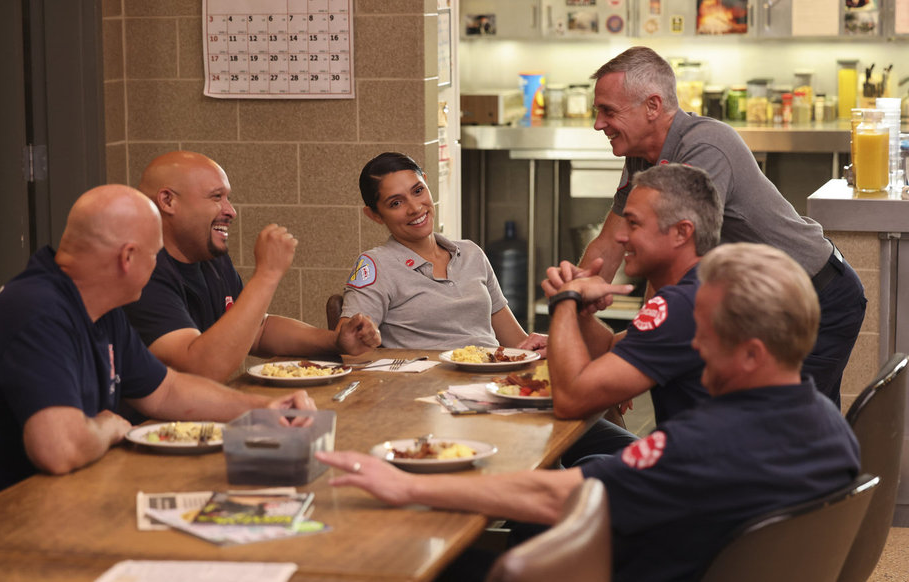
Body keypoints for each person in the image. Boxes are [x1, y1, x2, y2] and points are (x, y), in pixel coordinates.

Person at [316, 242, 861, 582]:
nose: (694, 344)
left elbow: (554, 496)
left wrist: (408, 485)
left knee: (421, 562)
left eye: (707, 334)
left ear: (752, 354)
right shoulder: (831, 428)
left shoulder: (701, 443)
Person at [0, 185, 316, 529]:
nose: (156, 266)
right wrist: (107, 427)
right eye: (154, 255)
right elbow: (59, 449)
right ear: (127, 257)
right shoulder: (36, 309)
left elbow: (166, 390)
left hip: (56, 512)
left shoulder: (99, 307)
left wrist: (261, 410)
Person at [580, 46, 865, 406]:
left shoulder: (704, 146)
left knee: (784, 425)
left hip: (817, 295)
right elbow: (609, 242)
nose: (598, 124)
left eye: (608, 111)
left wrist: (637, 354)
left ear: (652, 106)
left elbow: (674, 255)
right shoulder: (642, 155)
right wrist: (573, 301)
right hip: (765, 301)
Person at [124, 151, 381, 383]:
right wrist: (267, 274)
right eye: (216, 197)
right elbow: (201, 369)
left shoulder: (211, 259)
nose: (231, 211)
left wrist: (335, 341)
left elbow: (257, 331)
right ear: (168, 201)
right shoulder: (141, 273)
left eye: (228, 198)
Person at [547, 163, 722, 462]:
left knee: (572, 473)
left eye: (634, 224)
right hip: (733, 465)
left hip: (707, 478)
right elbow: (610, 349)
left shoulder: (680, 305)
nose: (621, 236)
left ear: (682, 232)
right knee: (594, 460)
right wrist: (582, 313)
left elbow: (569, 401)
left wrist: (565, 299)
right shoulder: (707, 285)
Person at [339, 152, 545, 351]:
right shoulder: (377, 265)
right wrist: (359, 335)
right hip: (426, 375)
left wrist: (543, 345)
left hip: (490, 372)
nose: (415, 208)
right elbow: (347, 338)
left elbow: (518, 345)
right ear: (374, 215)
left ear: (427, 183)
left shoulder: (471, 253)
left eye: (418, 191)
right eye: (396, 203)